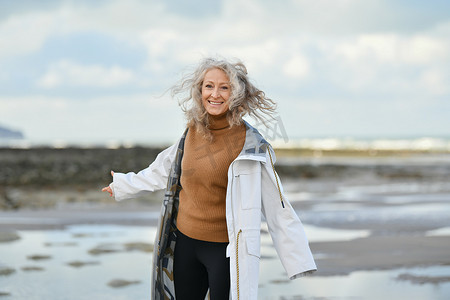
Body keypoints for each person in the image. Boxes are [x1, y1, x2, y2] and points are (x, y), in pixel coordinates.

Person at [102, 57, 316, 300]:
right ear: (199, 90)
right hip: (184, 244)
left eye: (224, 87)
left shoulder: (252, 146)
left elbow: (276, 205)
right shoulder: (192, 131)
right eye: (209, 86)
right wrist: (122, 185)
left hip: (225, 252)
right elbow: (162, 169)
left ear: (236, 93)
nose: (215, 94)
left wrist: (298, 259)